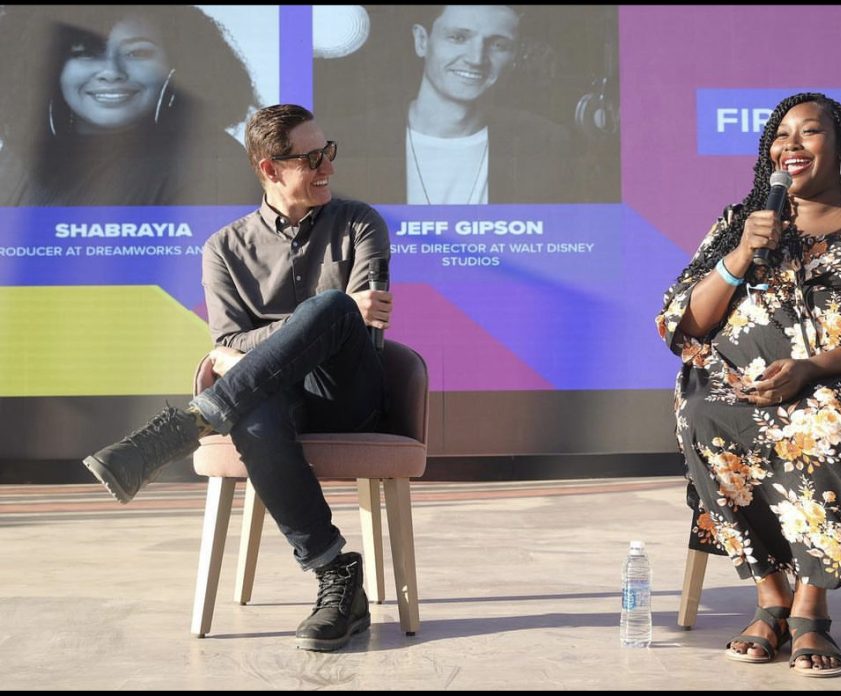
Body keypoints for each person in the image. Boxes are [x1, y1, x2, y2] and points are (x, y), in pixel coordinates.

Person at [655, 92, 841, 677]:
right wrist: (741, 253)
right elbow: (685, 320)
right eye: (781, 135)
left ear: (840, 145)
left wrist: (812, 368)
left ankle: (810, 609)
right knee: (703, 411)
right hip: (742, 384)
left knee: (820, 419)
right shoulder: (743, 222)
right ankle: (771, 594)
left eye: (809, 132)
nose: (790, 145)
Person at [82, 104, 394, 652]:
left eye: (328, 151)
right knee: (257, 410)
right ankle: (335, 573)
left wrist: (310, 322)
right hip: (270, 402)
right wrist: (314, 322)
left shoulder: (359, 222)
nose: (328, 166)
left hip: (347, 393)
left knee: (334, 310)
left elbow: (357, 325)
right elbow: (225, 345)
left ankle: (188, 425)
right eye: (312, 158)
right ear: (270, 168)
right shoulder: (223, 248)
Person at [0, 5, 261, 206]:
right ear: (49, 67)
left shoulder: (211, 162)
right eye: (85, 53)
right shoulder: (16, 160)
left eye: (137, 53)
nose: (111, 72)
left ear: (177, 64)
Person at [328, 5, 574, 205]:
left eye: (498, 45)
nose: (476, 59)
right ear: (422, 41)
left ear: (513, 57)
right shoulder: (345, 144)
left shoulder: (547, 146)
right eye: (458, 38)